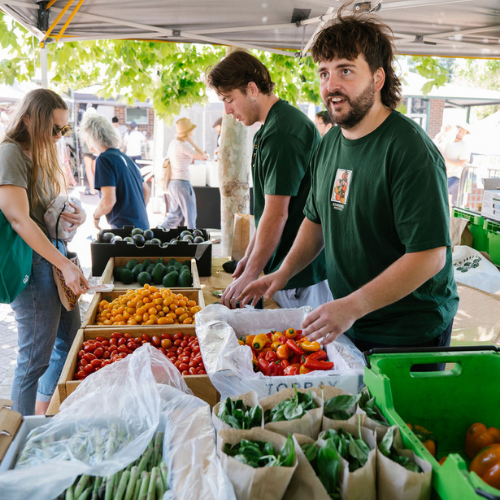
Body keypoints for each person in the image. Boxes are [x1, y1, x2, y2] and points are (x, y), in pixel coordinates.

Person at [239, 10, 459, 363]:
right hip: (351, 321)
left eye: (345, 70)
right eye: (324, 73)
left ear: (377, 78)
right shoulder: (329, 144)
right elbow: (316, 222)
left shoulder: (409, 150)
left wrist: (353, 305)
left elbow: (430, 256)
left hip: (408, 331)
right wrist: (281, 275)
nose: (331, 85)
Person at [207, 51, 332, 309]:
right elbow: (267, 213)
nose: (228, 111)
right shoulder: (271, 128)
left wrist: (252, 273)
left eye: (229, 99)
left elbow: (277, 215)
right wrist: (251, 259)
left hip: (301, 276)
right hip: (288, 269)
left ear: (251, 89)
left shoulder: (281, 133)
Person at [0, 88, 89, 416]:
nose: (58, 136)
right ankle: (17, 433)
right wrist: (64, 265)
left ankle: (42, 417)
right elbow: (18, 219)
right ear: (27, 120)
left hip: (53, 259)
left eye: (64, 129)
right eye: (54, 129)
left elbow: (49, 211)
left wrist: (76, 216)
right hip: (33, 265)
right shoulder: (10, 153)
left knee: (67, 346)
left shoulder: (42, 152)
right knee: (33, 359)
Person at [79, 111, 150, 230]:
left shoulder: (103, 159)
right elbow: (146, 190)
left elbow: (108, 201)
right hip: (142, 227)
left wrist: (96, 216)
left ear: (92, 139)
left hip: (125, 232)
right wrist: (137, 213)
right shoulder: (125, 157)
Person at [159, 118, 208, 229]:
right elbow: (203, 156)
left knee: (174, 216)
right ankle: (191, 240)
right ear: (189, 132)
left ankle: (157, 232)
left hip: (173, 183)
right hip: (182, 184)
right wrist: (191, 141)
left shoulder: (173, 143)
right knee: (190, 216)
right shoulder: (184, 145)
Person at [437, 123, 471, 205]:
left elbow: (462, 163)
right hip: (444, 173)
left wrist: (446, 159)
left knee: (446, 197)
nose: (460, 134)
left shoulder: (464, 146)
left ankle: (448, 216)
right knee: (443, 197)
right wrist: (443, 131)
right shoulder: (448, 140)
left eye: (462, 133)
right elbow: (436, 143)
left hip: (454, 175)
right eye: (459, 131)